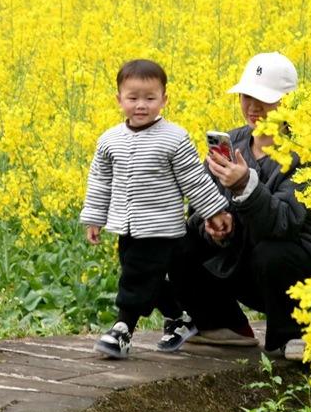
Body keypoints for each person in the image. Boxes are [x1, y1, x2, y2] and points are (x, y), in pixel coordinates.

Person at [169, 52, 311, 360]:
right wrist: (215, 225)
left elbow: (284, 223)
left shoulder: (307, 156)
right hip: (246, 263)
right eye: (247, 96)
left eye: (264, 98)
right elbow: (198, 205)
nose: (252, 107)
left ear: (288, 102)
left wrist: (244, 186)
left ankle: (292, 334)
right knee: (175, 238)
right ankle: (225, 326)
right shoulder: (231, 143)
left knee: (271, 250)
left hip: (302, 274)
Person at [80, 59, 232, 359]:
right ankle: (180, 319)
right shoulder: (109, 140)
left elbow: (195, 180)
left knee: (136, 278)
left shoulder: (174, 138)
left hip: (162, 227)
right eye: (133, 98)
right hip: (127, 226)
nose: (141, 105)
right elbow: (100, 182)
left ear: (164, 99)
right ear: (119, 99)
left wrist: (213, 211)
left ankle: (122, 330)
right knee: (146, 276)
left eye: (150, 98)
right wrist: (95, 218)